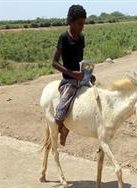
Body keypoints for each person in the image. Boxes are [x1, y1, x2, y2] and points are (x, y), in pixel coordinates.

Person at [52, 4, 88, 146]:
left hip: (81, 77)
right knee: (60, 112)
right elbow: (54, 62)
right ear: (70, 22)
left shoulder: (82, 38)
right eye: (79, 24)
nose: (81, 27)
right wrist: (71, 73)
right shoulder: (64, 38)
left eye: (83, 24)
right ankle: (62, 128)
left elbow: (80, 60)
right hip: (69, 80)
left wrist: (86, 72)